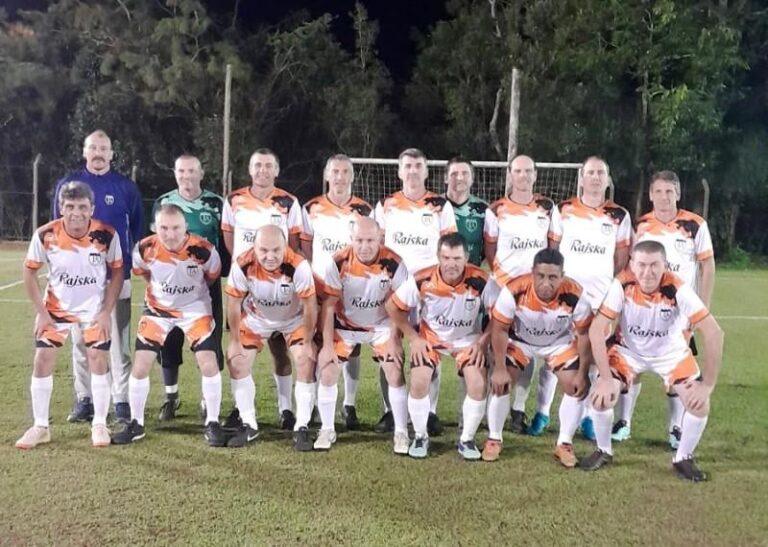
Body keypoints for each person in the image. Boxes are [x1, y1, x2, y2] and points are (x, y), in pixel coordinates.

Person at [585, 240, 724, 481]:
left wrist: (708, 385)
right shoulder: (622, 283)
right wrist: (606, 378)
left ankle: (683, 458)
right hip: (628, 352)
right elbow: (597, 329)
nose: (647, 272)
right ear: (632, 264)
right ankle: (603, 450)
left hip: (671, 355)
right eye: (641, 265)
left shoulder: (677, 287)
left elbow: (714, 332)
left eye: (654, 265)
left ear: (665, 266)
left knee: (699, 404)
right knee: (600, 397)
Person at [528, 156, 631, 439]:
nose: (596, 177)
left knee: (594, 359)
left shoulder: (619, 215)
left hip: (599, 301)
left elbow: (621, 258)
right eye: (591, 173)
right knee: (555, 355)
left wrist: (609, 290)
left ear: (607, 180)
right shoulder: (564, 210)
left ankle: (587, 416)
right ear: (582, 178)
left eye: (601, 173)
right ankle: (542, 412)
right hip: (566, 299)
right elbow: (553, 250)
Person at [16, 182, 123, 448]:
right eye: (70, 206)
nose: (77, 213)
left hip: (94, 310)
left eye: (83, 207)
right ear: (61, 208)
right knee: (42, 359)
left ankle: (99, 423)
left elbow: (118, 272)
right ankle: (40, 426)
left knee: (98, 358)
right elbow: (29, 272)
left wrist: (106, 312)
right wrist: (41, 313)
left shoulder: (106, 234)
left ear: (92, 208)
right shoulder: (46, 234)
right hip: (56, 309)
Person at [613, 170, 716, 447]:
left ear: (678, 194)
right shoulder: (642, 226)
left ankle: (675, 428)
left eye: (669, 191)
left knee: (675, 370)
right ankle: (624, 422)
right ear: (650, 195)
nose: (664, 197)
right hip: (641, 307)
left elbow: (707, 266)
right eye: (658, 191)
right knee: (632, 363)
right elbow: (631, 267)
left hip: (678, 313)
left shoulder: (695, 225)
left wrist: (702, 308)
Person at [112, 205, 224, 446]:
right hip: (158, 310)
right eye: (164, 228)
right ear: (155, 227)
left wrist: (188, 296)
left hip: (195, 309)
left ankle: (213, 422)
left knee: (208, 361)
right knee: (141, 364)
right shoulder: (145, 248)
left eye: (176, 228)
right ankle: (136, 423)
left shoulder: (204, 250)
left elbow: (212, 276)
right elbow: (144, 273)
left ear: (186, 228)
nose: (170, 234)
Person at [51, 130, 143, 423]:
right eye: (93, 148)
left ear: (112, 154)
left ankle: (120, 400)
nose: (99, 153)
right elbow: (57, 228)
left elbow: (137, 230)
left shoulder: (126, 187)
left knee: (118, 342)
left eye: (104, 148)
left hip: (117, 275)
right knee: (80, 341)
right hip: (79, 279)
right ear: (85, 152)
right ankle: (84, 399)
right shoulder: (68, 184)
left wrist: (127, 263)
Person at [386, 233, 499, 460]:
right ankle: (420, 436)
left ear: (467, 257)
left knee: (478, 383)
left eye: (457, 258)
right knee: (419, 381)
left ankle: (466, 440)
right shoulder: (422, 279)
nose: (451, 264)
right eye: (446, 258)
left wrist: (482, 342)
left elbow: (500, 315)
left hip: (467, 341)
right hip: (431, 340)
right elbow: (392, 306)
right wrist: (413, 338)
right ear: (438, 256)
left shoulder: (482, 280)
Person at [374, 148, 457, 436]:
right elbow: (377, 246)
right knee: (389, 347)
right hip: (394, 288)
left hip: (429, 290)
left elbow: (449, 247)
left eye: (418, 166)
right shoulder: (386, 205)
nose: (412, 171)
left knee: (429, 347)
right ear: (399, 172)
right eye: (407, 166)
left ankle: (430, 411)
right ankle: (390, 411)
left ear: (426, 171)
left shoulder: (440, 206)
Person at [486, 249, 593, 466]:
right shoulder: (514, 290)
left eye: (553, 277)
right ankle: (494, 439)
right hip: (521, 342)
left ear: (562, 276)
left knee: (575, 386)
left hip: (558, 344)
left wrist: (582, 373)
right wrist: (499, 368)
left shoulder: (576, 294)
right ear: (532, 273)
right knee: (501, 383)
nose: (546, 283)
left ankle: (564, 444)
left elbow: (584, 334)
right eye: (541, 276)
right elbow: (499, 329)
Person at [221, 148, 303, 429]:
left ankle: (286, 409)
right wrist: (246, 266)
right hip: (245, 284)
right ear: (250, 169)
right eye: (258, 165)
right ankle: (240, 409)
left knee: (279, 349)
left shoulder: (288, 202)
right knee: (240, 350)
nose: (263, 170)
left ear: (276, 171)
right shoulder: (234, 200)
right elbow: (230, 239)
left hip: (278, 286)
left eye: (268, 166)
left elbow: (294, 244)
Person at [314, 217, 409, 452]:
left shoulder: (395, 263)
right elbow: (328, 306)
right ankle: (327, 429)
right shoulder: (338, 262)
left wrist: (395, 341)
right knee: (327, 369)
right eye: (359, 240)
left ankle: (401, 432)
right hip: (346, 327)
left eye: (370, 240)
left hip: (382, 327)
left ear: (380, 239)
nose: (364, 246)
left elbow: (399, 306)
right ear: (351, 239)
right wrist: (327, 346)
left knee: (394, 370)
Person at [483, 154, 560, 433]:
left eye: (528, 171)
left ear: (535, 175)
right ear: (510, 175)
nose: (523, 176)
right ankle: (491, 408)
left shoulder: (547, 208)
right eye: (518, 171)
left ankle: (518, 409)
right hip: (502, 289)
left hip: (534, 294)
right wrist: (505, 281)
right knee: (498, 350)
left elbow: (552, 249)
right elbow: (490, 250)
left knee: (527, 350)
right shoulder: (496, 209)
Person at [224, 225, 318, 450]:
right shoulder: (242, 264)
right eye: (263, 250)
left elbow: (310, 306)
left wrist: (307, 342)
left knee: (305, 359)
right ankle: (249, 424)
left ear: (285, 247)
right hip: (257, 318)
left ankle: (301, 426)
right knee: (237, 360)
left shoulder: (298, 266)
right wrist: (235, 341)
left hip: (293, 319)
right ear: (254, 248)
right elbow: (233, 303)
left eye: (276, 250)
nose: (270, 256)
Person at [150, 154, 229, 422]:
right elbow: (154, 243)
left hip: (207, 286)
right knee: (169, 341)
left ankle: (208, 399)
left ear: (201, 173)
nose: (186, 176)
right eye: (181, 171)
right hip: (171, 288)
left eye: (191, 171)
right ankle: (171, 397)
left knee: (209, 342)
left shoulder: (216, 204)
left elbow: (224, 244)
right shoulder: (164, 202)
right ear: (175, 173)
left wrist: (216, 275)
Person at [301, 153, 373, 429]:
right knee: (318, 344)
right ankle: (315, 405)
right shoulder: (312, 208)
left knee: (352, 347)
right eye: (335, 171)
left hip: (353, 288)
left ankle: (349, 404)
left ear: (352, 176)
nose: (340, 177)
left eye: (345, 172)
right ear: (327, 175)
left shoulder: (364, 210)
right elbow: (306, 248)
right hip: (320, 287)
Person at [443, 157, 488, 267]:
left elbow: (491, 248)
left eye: (465, 173)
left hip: (471, 274)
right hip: (438, 275)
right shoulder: (433, 207)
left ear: (472, 179)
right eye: (454, 174)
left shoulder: (484, 210)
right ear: (446, 178)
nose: (460, 177)